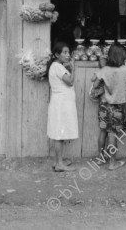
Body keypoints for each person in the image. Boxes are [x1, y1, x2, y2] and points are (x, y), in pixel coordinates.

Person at [92, 43, 126, 170]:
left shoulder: (104, 70)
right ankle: (112, 163)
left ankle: (100, 159)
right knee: (113, 134)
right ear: (122, 55)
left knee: (103, 131)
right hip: (117, 107)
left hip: (103, 105)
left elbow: (95, 85)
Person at [46, 41, 79, 172]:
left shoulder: (57, 66)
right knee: (59, 134)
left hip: (61, 103)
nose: (67, 55)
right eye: (64, 52)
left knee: (60, 132)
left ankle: (58, 161)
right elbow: (70, 82)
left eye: (68, 52)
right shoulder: (57, 66)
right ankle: (59, 164)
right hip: (61, 104)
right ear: (57, 54)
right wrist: (73, 67)